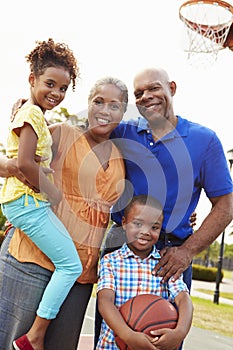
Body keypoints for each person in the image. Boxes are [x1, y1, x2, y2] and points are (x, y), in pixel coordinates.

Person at [94, 66, 233, 346]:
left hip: (172, 256)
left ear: (172, 87)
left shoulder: (203, 140)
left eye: (154, 88)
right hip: (122, 245)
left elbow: (226, 205)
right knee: (113, 338)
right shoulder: (125, 131)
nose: (146, 96)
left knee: (164, 338)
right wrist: (33, 112)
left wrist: (188, 250)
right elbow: (82, 134)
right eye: (139, 93)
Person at [0, 76, 128, 350]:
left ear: (123, 112)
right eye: (98, 102)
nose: (104, 110)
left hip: (80, 273)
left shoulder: (121, 155)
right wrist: (15, 168)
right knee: (13, 341)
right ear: (88, 104)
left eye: (114, 106)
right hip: (33, 260)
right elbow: (13, 160)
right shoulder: (61, 133)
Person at [0, 38, 84, 350]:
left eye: (63, 88)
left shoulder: (30, 112)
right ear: (32, 79)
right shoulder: (31, 114)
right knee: (71, 266)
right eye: (50, 83)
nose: (56, 94)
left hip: (22, 203)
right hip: (26, 202)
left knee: (66, 260)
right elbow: (22, 162)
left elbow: (27, 160)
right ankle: (34, 336)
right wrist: (52, 193)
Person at [96, 194, 193, 350]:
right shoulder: (110, 261)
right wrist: (128, 335)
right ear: (124, 223)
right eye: (138, 224)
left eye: (154, 227)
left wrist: (180, 332)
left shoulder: (165, 265)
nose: (146, 232)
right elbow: (105, 302)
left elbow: (184, 300)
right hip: (112, 346)